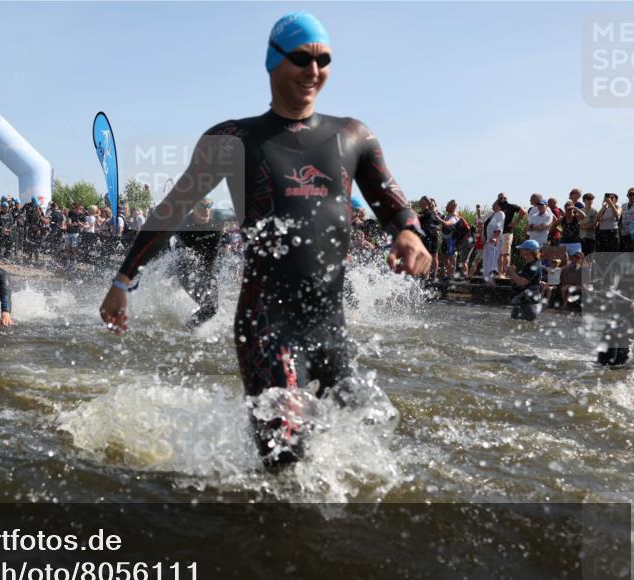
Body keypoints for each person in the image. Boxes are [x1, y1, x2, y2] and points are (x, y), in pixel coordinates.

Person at [99, 10, 431, 468]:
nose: (314, 71)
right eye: (301, 58)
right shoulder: (233, 140)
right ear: (273, 61)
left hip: (331, 329)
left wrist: (411, 235)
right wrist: (122, 282)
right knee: (286, 462)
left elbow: (391, 201)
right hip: (267, 326)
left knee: (367, 445)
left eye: (324, 59)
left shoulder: (353, 135)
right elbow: (171, 210)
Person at [595, 215, 634, 366]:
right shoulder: (621, 262)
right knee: (608, 380)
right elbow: (606, 290)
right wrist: (633, 304)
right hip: (618, 333)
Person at [174, 198, 223, 328]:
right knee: (209, 307)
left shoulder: (216, 223)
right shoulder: (183, 227)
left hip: (207, 266)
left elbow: (212, 255)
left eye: (208, 206)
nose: (206, 210)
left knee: (213, 308)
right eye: (201, 207)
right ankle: (186, 330)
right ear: (193, 208)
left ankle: (189, 327)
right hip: (186, 268)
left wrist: (209, 276)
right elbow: (185, 255)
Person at [504, 239, 543, 321]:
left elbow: (522, 282)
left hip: (529, 304)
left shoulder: (534, 266)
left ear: (528, 251)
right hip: (523, 302)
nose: (520, 250)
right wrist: (511, 274)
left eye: (522, 249)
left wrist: (512, 272)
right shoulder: (528, 265)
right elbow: (517, 281)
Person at [479, 201, 504, 284]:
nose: (492, 205)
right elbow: (480, 220)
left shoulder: (500, 214)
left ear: (499, 206)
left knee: (492, 261)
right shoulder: (491, 213)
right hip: (487, 240)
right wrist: (478, 211)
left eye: (494, 204)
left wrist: (495, 238)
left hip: (494, 241)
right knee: (486, 261)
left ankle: (491, 281)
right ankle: (486, 280)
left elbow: (499, 226)